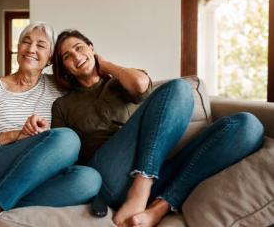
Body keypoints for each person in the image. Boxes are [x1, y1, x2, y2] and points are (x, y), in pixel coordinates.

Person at [46, 29, 264, 227]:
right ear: (65, 68)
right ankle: (140, 190)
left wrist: (107, 66)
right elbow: (65, 157)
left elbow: (140, 84)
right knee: (179, 88)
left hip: (155, 166)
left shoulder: (121, 81)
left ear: (91, 49)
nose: (76, 57)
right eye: (67, 56)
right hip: (110, 175)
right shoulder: (63, 106)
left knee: (247, 126)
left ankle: (158, 206)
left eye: (79, 48)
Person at [0, 23, 102, 227]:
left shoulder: (60, 88)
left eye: (40, 45)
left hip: (34, 175)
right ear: (18, 48)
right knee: (66, 138)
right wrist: (17, 135)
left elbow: (90, 75)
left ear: (50, 58)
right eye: (26, 42)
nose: (31, 49)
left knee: (89, 180)